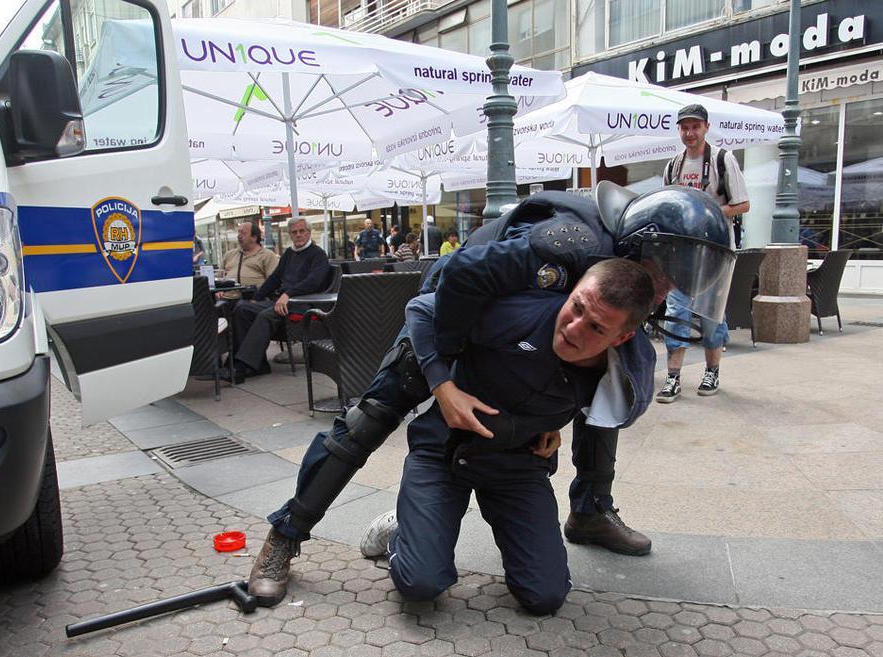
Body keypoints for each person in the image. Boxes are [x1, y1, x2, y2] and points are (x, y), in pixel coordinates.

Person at [245, 186, 735, 605]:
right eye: (666, 274)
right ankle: (284, 536)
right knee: (366, 422)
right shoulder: (567, 244)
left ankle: (590, 510)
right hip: (446, 315)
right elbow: (458, 279)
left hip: (520, 345)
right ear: (638, 247)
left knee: (607, 382)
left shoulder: (624, 285)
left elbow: (593, 387)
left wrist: (549, 419)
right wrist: (444, 380)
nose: (668, 287)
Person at [360, 259, 656, 614]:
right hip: (444, 450)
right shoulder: (522, 311)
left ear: (621, 339)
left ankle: (448, 534)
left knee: (545, 596)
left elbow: (595, 404)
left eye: (595, 327)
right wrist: (443, 387)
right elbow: (420, 309)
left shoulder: (624, 377)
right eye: (576, 307)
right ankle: (401, 530)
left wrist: (552, 423)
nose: (574, 328)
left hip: (517, 463)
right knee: (421, 583)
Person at [657, 104, 749, 403]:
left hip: (716, 252)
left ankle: (712, 371)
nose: (689, 133)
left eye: (695, 127)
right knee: (676, 314)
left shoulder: (723, 159)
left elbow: (743, 204)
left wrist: (705, 213)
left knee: (712, 315)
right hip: (682, 254)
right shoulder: (673, 165)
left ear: (706, 127)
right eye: (684, 127)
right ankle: (673, 376)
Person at [230, 218, 329, 382]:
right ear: (290, 234)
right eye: (294, 232)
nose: (299, 235)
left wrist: (288, 294)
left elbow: (313, 281)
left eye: (302, 231)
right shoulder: (289, 253)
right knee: (242, 308)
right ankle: (258, 364)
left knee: (266, 315)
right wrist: (257, 298)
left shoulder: (318, 254)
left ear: (309, 232)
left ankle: (241, 367)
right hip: (283, 301)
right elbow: (275, 278)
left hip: (303, 304)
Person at [216, 222, 279, 301]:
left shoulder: (267, 255)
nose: (239, 235)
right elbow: (219, 277)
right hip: (226, 298)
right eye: (238, 232)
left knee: (241, 306)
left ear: (254, 237)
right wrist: (219, 290)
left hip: (253, 299)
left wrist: (258, 296)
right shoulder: (230, 255)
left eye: (243, 233)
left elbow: (273, 282)